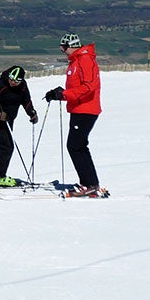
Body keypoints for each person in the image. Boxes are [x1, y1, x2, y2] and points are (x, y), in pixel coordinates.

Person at [45, 33, 103, 197]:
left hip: (86, 110)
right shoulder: (76, 61)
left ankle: (89, 184)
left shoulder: (84, 60)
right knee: (78, 145)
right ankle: (90, 182)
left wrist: (64, 95)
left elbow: (89, 87)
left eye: (63, 47)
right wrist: (59, 95)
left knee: (75, 146)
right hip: (79, 109)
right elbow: (76, 89)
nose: (62, 51)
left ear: (70, 45)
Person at [0, 65, 38, 186]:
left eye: (16, 81)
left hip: (9, 119)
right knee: (7, 147)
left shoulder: (22, 87)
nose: (12, 82)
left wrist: (31, 113)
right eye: (11, 79)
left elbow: (26, 100)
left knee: (0, 145)